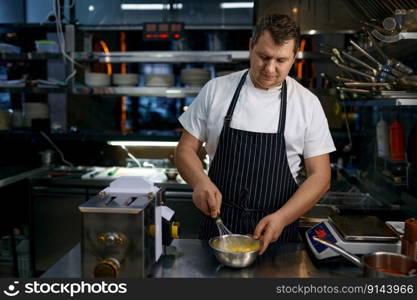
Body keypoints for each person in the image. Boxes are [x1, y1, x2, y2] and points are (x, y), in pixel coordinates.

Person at [175, 14, 335, 254]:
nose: (270, 69)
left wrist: (281, 218)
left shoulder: (307, 104)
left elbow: (320, 176)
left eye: (281, 60)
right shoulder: (216, 90)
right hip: (218, 227)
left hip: (278, 231)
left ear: (295, 55)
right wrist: (200, 182)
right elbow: (184, 150)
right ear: (251, 46)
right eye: (263, 57)